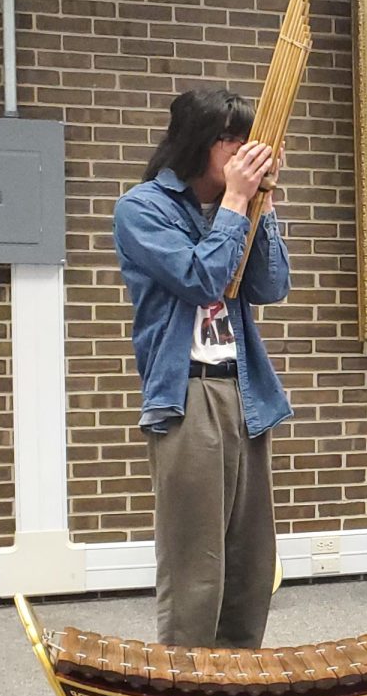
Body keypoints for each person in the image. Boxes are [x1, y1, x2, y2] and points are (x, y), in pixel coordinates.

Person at [113, 87, 292, 650]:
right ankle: (186, 693)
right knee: (196, 567)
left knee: (251, 563)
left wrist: (258, 206)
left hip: (244, 391)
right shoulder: (142, 209)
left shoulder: (236, 207)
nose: (247, 152)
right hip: (187, 395)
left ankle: (236, 690)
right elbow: (199, 279)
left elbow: (271, 286)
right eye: (233, 139)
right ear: (202, 142)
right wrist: (237, 205)